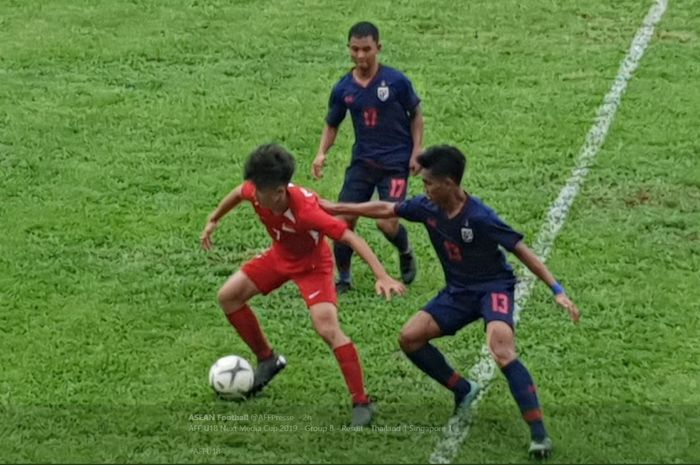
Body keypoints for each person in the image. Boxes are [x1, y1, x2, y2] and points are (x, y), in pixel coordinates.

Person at [321, 145, 581, 458]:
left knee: (501, 348)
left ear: (450, 183)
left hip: (492, 288)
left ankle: (539, 435)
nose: (424, 188)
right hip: (458, 292)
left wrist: (557, 290)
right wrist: (338, 208)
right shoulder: (428, 207)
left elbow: (521, 250)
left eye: (429, 183)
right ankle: (462, 389)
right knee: (410, 338)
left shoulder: (481, 217)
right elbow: (387, 209)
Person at [200, 143, 405, 426]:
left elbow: (349, 237)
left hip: (313, 267)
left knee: (327, 328)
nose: (254, 196)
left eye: (260, 192)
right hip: (280, 256)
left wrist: (382, 275)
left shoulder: (307, 212)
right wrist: (214, 219)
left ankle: (361, 401)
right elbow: (238, 192)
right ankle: (267, 360)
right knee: (229, 296)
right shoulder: (258, 190)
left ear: (279, 192)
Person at [312, 21, 424, 293]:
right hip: (363, 163)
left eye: (366, 49)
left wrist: (416, 151)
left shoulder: (396, 82)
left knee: (387, 222)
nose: (361, 56)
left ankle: (405, 249)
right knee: (342, 221)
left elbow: (416, 114)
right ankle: (345, 278)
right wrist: (321, 153)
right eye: (355, 49)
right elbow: (332, 123)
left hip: (395, 164)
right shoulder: (343, 89)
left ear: (378, 48)